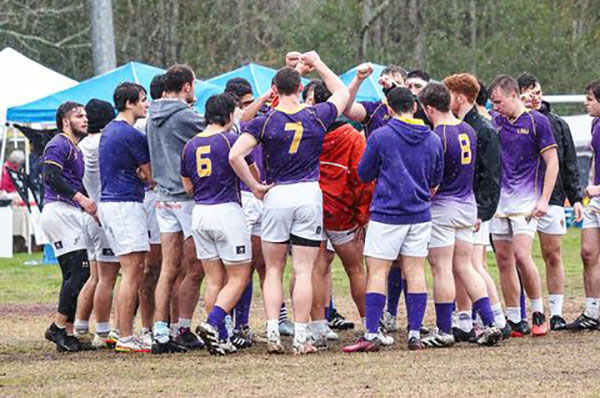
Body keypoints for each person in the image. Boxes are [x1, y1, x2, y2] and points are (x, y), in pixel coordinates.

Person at [229, 51, 349, 354]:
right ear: (299, 89)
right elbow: (342, 92)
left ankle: (271, 331)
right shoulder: (314, 115)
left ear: (274, 90)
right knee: (305, 269)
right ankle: (300, 336)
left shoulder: (265, 120)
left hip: (277, 194)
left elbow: (235, 156)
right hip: (308, 193)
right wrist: (318, 63)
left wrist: (254, 185)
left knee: (272, 269)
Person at [342, 87, 444, 353]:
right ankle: (414, 333)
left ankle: (372, 333)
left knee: (377, 272)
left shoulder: (381, 136)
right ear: (414, 106)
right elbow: (435, 181)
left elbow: (363, 173)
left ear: (388, 108)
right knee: (415, 272)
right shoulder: (433, 139)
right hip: (420, 214)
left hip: (387, 213)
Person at [418, 82, 501, 347]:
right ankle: (489, 323)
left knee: (442, 268)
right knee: (465, 266)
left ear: (430, 108)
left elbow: (433, 182)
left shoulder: (436, 136)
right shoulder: (469, 130)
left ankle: (444, 329)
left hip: (444, 207)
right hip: (468, 205)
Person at [182, 93, 253, 355]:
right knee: (239, 276)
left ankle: (221, 337)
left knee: (214, 279)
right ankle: (213, 324)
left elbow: (187, 186)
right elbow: (250, 171)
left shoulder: (190, 145)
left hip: (200, 213)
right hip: (226, 211)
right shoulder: (230, 139)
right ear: (228, 115)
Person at [488, 74, 559, 337]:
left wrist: (544, 199)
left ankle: (538, 311)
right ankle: (515, 317)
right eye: (492, 103)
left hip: (527, 202)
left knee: (522, 254)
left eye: (498, 101)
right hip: (500, 203)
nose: (495, 107)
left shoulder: (537, 121)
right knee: (503, 258)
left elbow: (552, 162)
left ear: (514, 95)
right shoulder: (495, 123)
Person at [305, 80, 372, 349]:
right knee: (355, 269)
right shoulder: (352, 137)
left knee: (317, 268)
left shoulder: (308, 131)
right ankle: (371, 325)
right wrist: (363, 215)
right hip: (343, 212)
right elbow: (363, 179)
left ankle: (318, 327)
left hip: (312, 208)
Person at [517, 72, 584, 330]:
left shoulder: (557, 123)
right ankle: (525, 312)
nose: (534, 97)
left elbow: (569, 163)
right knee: (519, 256)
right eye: (527, 92)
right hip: (521, 198)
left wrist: (576, 197)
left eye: (537, 91)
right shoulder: (509, 122)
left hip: (552, 197)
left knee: (552, 253)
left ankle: (556, 312)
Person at [443, 73, 507, 339]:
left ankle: (497, 318)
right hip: (466, 207)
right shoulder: (461, 125)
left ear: (459, 97)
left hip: (477, 209)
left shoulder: (484, 129)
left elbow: (491, 176)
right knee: (462, 265)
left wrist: (482, 212)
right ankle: (466, 320)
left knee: (474, 265)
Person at [146, 65, 206, 353]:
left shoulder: (152, 114)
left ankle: (160, 331)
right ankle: (182, 327)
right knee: (195, 268)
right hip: (186, 198)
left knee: (169, 267)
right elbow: (216, 130)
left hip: (163, 197)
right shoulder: (184, 115)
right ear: (186, 86)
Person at [98, 82, 153, 352]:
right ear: (129, 104)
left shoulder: (109, 129)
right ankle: (127, 336)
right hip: (124, 204)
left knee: (130, 270)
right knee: (133, 272)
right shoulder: (130, 134)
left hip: (113, 203)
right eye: (143, 100)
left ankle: (120, 330)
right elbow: (151, 174)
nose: (146, 104)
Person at [41, 101, 95, 352]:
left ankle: (69, 333)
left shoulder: (75, 146)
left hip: (70, 212)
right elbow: (51, 176)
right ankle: (57, 327)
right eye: (79, 116)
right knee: (81, 271)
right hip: (59, 211)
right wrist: (80, 198)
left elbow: (73, 181)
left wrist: (87, 206)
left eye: (85, 115)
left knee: (73, 274)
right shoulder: (59, 143)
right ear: (65, 121)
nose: (85, 119)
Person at [71, 99, 119, 349]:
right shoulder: (103, 143)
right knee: (107, 278)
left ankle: (81, 325)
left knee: (96, 275)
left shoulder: (82, 144)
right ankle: (102, 330)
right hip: (102, 214)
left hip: (88, 214)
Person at [569, 79, 600, 330]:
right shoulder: (595, 124)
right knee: (587, 253)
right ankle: (592, 312)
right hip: (595, 201)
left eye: (590, 99)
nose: (585, 103)